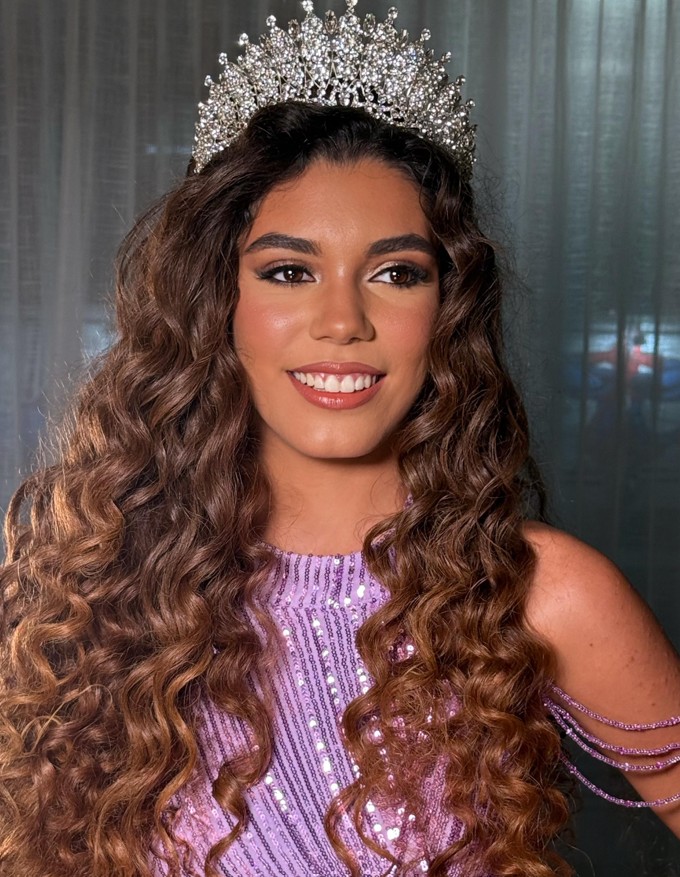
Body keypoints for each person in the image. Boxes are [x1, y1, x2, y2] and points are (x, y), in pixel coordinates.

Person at [1, 3, 679, 876]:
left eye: (396, 273)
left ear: (447, 307)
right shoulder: (92, 590)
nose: (342, 320)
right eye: (290, 270)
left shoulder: (540, 596)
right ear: (218, 300)